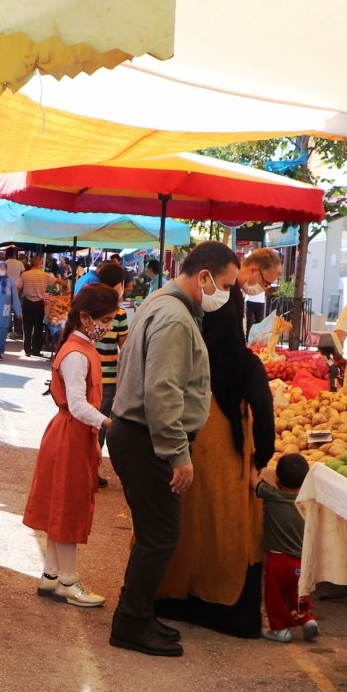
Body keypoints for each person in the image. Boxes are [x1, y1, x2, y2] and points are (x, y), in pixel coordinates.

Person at [106, 241, 240, 658]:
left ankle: (139, 614)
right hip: (146, 437)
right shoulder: (174, 317)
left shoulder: (163, 302)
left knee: (155, 534)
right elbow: (162, 392)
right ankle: (130, 623)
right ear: (204, 277)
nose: (228, 294)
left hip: (139, 433)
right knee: (160, 537)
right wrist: (178, 454)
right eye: (226, 284)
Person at [153, 248, 278, 639]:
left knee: (185, 521)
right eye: (225, 285)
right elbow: (264, 410)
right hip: (222, 444)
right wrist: (261, 455)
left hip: (186, 439)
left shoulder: (184, 334)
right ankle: (218, 605)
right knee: (224, 524)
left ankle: (167, 595)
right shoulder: (242, 364)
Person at [24, 285, 121, 607]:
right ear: (84, 317)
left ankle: (52, 574)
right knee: (67, 508)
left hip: (70, 433)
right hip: (72, 434)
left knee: (60, 506)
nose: (107, 327)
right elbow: (79, 405)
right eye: (104, 320)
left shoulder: (78, 347)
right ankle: (68, 581)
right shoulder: (78, 353)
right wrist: (110, 424)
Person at [255, 453, 317, 643]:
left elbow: (253, 483)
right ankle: (307, 620)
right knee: (297, 593)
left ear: (278, 478)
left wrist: (252, 462)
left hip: (278, 560)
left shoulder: (272, 496)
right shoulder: (308, 502)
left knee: (275, 596)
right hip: (302, 561)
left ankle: (280, 629)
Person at [92, 262, 130, 483]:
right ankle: (91, 470)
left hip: (87, 375)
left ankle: (82, 467)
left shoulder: (89, 308)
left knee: (87, 423)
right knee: (101, 426)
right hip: (107, 379)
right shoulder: (119, 313)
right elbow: (124, 348)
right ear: (118, 286)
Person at [18, 254, 53, 357]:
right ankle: (36, 350)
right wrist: (65, 284)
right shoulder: (44, 275)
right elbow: (56, 281)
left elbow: (18, 287)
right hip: (39, 303)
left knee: (27, 327)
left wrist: (16, 299)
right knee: (38, 327)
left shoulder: (24, 274)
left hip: (27, 302)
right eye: (41, 263)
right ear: (39, 264)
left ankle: (27, 350)